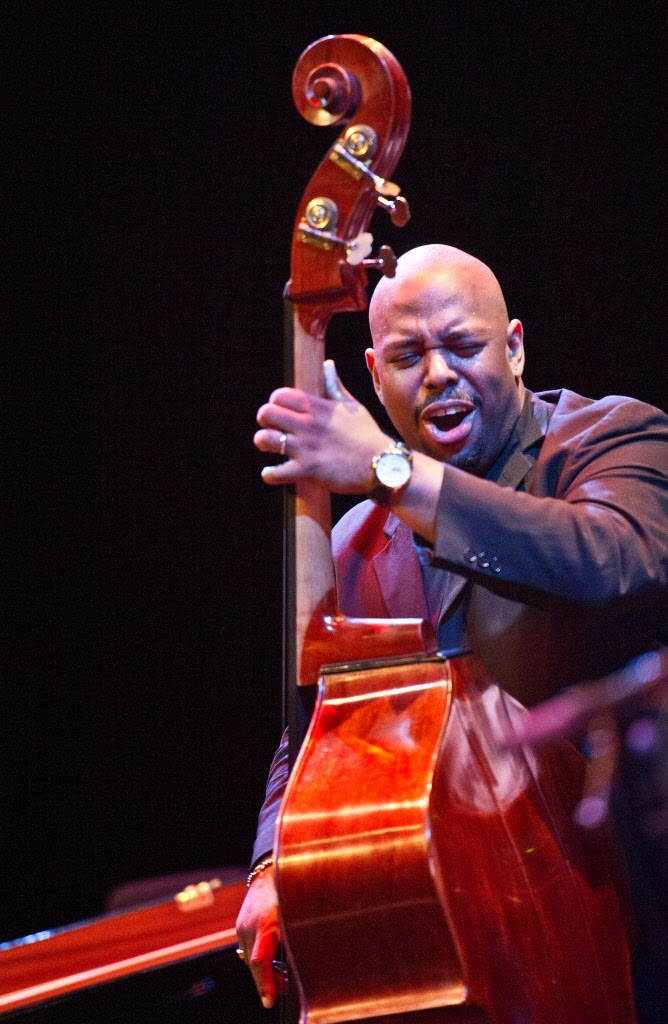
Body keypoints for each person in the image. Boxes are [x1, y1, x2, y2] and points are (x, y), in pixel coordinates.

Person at [237, 244, 668, 1018]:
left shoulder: (608, 437)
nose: (438, 374)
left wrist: (392, 471)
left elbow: (613, 558)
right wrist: (276, 863)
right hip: (467, 920)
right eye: (409, 357)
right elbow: (322, 723)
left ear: (515, 347)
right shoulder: (355, 543)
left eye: (463, 345)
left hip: (625, 902)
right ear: (374, 376)